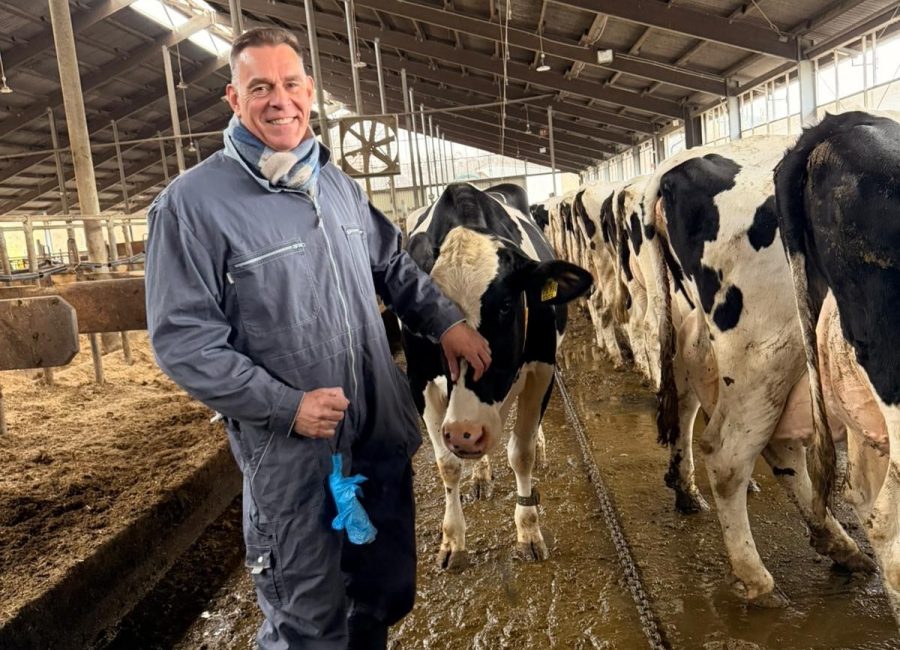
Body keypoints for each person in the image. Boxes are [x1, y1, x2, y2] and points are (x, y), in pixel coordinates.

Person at [144, 26, 491, 649]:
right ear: (233, 98)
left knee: (384, 594)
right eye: (260, 88)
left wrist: (447, 320)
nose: (280, 101)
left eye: (291, 84)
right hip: (294, 458)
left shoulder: (334, 184)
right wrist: (287, 406)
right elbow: (184, 341)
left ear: (309, 91)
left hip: (377, 436)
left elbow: (392, 265)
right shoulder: (192, 206)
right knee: (308, 623)